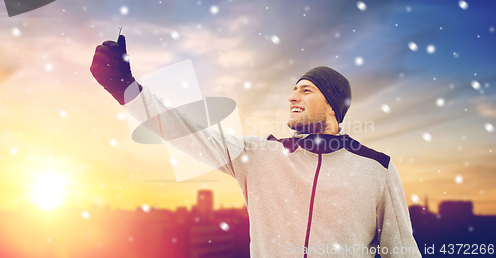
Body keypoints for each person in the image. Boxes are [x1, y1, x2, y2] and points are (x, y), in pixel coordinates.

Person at [90, 36, 422, 257]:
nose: (292, 96)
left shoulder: (376, 169)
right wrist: (128, 89)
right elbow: (190, 132)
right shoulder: (259, 156)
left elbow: (402, 250)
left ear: (334, 105)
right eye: (293, 89)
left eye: (306, 90)